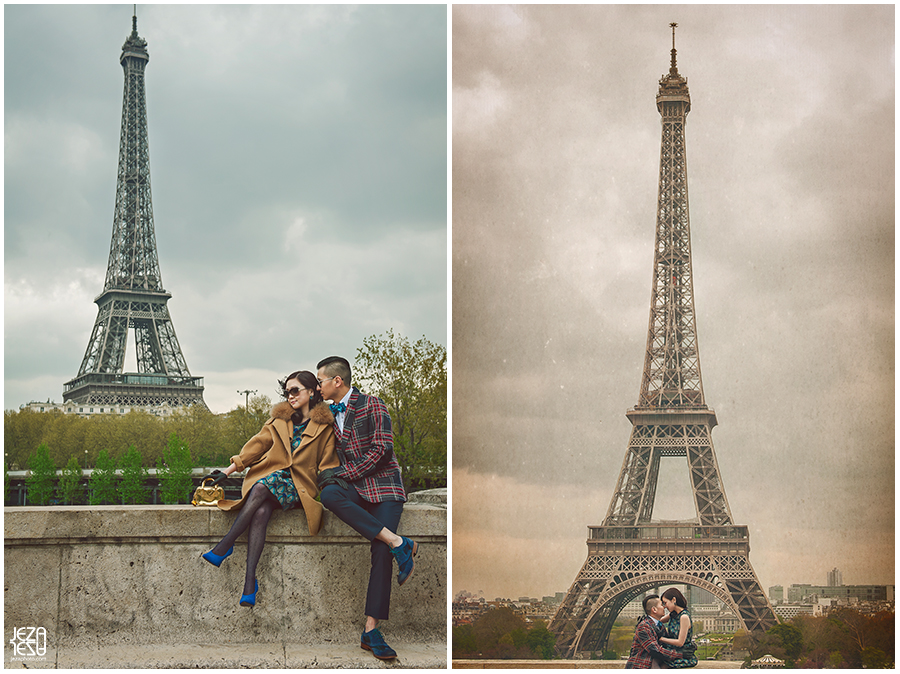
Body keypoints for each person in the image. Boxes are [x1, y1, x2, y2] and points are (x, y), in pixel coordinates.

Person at [199, 370, 338, 607]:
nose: (290, 396)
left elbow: (328, 465)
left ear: (312, 391)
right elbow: (255, 448)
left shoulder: (325, 427)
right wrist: (226, 471)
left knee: (262, 487)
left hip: (299, 485)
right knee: (261, 511)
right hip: (271, 479)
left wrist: (334, 493)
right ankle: (249, 583)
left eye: (295, 390)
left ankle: (226, 545)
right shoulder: (278, 421)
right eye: (287, 392)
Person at [314, 356, 416, 661]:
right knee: (329, 495)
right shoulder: (327, 414)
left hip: (384, 487)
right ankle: (399, 542)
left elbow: (383, 449)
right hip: (357, 488)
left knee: (379, 550)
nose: (318, 386)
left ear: (337, 381)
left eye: (320, 380)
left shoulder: (373, 404)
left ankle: (371, 630)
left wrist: (345, 473)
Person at [625, 594, 681, 669]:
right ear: (654, 609)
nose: (664, 607)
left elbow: (669, 643)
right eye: (661, 605)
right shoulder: (644, 627)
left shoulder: (659, 626)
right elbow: (655, 650)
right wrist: (679, 655)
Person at [658, 588, 698, 668]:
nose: (665, 606)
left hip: (681, 655)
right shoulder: (673, 614)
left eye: (665, 603)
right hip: (673, 651)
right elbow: (659, 621)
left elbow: (680, 642)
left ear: (673, 600)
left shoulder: (684, 617)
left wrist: (661, 639)